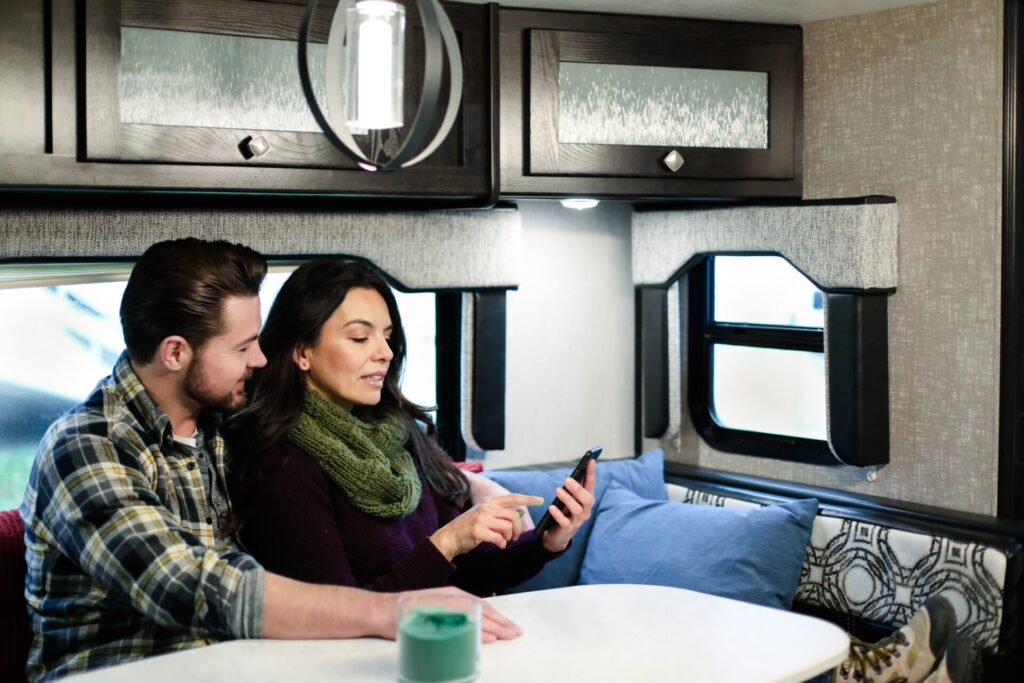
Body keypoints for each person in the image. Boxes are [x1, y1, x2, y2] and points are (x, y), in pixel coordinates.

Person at [19, 239, 520, 682]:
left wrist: (478, 486)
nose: (260, 359)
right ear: (175, 353)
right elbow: (193, 586)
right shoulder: (87, 446)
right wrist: (389, 610)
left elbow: (364, 438)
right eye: (242, 347)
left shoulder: (219, 417)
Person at [225, 258, 595, 594]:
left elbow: (468, 577)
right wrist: (448, 542)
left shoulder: (397, 433)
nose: (384, 352)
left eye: (387, 336)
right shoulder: (281, 466)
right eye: (360, 337)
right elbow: (337, 617)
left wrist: (548, 541)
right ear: (302, 351)